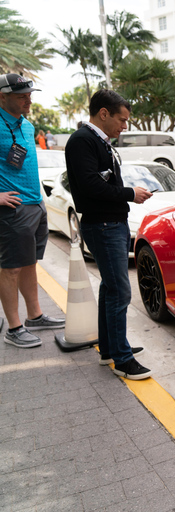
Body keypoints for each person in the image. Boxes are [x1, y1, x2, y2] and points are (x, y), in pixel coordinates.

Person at [65, 89, 153, 380]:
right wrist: (130, 193)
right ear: (103, 113)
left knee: (109, 288)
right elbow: (91, 185)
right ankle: (123, 360)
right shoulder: (82, 142)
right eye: (122, 120)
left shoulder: (98, 142)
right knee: (120, 291)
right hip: (102, 226)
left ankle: (110, 349)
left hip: (110, 223)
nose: (124, 126)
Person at [0, 73, 65, 348]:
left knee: (29, 264)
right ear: (2, 97)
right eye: (21, 95)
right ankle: (14, 328)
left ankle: (35, 315)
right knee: (10, 268)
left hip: (35, 204)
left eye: (29, 94)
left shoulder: (26, 125)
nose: (28, 99)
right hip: (13, 210)